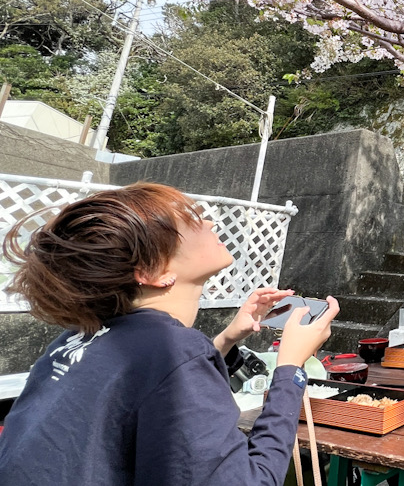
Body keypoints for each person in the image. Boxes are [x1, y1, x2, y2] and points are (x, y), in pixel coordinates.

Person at [0, 183, 340, 486]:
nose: (209, 223)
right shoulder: (175, 351)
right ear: (153, 271)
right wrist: (291, 369)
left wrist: (224, 341)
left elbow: (147, 392)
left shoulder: (75, 339)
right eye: (192, 221)